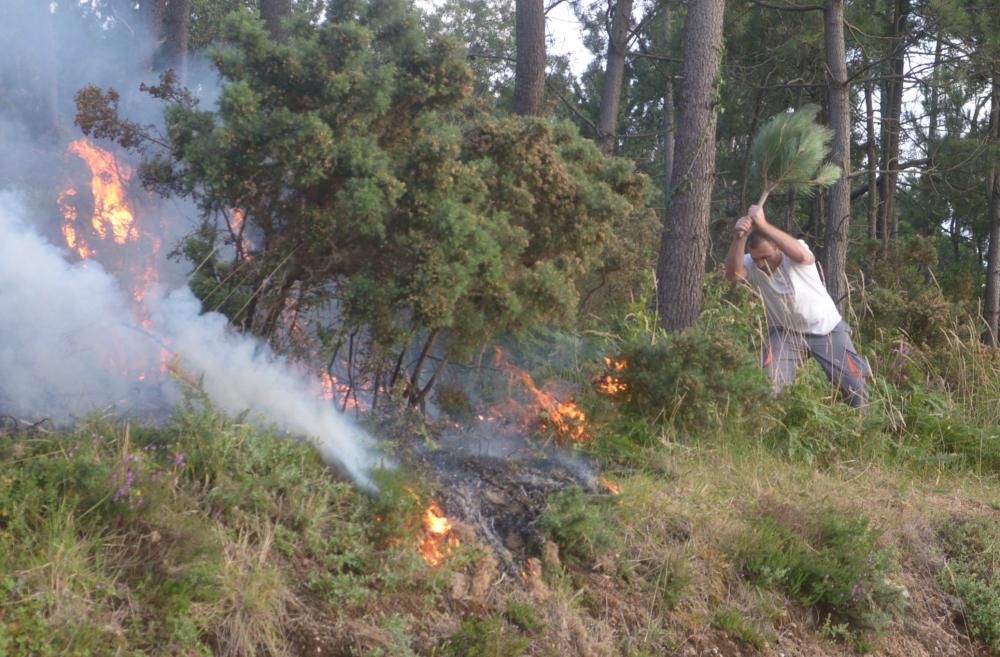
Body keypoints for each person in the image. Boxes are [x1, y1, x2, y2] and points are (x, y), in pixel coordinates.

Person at [724, 205, 869, 408]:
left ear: (777, 247)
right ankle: (768, 430)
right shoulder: (752, 262)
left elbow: (802, 256)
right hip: (785, 333)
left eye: (766, 256)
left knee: (855, 389)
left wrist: (763, 224)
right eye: (756, 259)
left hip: (826, 329)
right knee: (769, 384)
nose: (761, 263)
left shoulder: (795, 252)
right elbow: (733, 275)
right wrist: (739, 238)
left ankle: (865, 431)